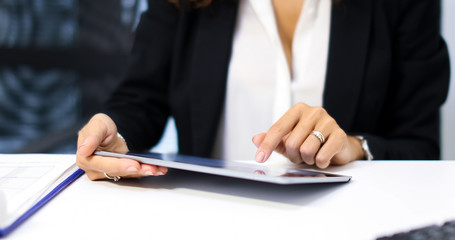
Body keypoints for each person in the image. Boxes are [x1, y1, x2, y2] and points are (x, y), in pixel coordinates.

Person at [76, 0, 450, 181]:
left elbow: (419, 146)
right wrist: (115, 132)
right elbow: (141, 98)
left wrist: (353, 146)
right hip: (209, 222)